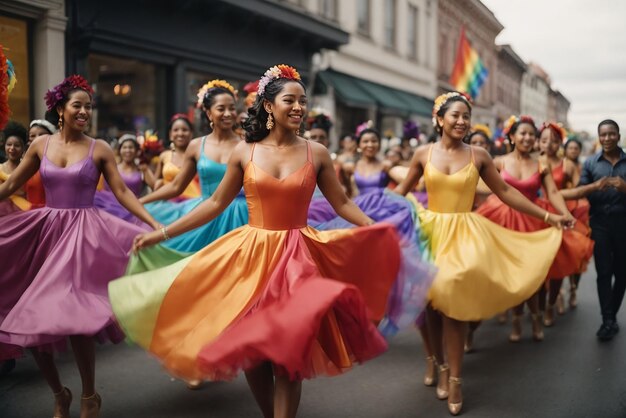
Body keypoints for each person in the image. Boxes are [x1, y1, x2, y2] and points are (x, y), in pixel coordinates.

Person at [108, 65, 433, 418]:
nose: (298, 107)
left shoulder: (317, 152)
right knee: (254, 351)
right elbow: (214, 204)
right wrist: (162, 232)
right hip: (250, 257)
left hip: (299, 259)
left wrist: (375, 227)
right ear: (268, 106)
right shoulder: (244, 152)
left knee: (290, 348)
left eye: (302, 101)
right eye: (289, 100)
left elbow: (342, 204)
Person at [395, 92, 571, 416]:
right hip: (429, 232)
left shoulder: (480, 155)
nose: (462, 121)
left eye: (466, 116)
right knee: (432, 305)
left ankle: (457, 378)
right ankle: (440, 365)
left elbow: (506, 192)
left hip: (463, 235)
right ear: (439, 119)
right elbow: (399, 194)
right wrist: (375, 220)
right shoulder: (423, 153)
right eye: (455, 116)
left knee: (455, 304)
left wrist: (548, 216)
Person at [0, 75, 160, 418]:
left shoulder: (99, 148)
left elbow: (122, 192)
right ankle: (61, 393)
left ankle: (89, 396)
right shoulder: (40, 146)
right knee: (33, 323)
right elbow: (12, 181)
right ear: (60, 109)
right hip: (46, 235)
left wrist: (151, 221)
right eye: (78, 106)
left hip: (83, 239)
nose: (85, 112)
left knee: (78, 321)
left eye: (89, 106)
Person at [477, 116, 592, 342]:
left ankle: (537, 316)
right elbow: (478, 185)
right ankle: (517, 319)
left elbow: (554, 193)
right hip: (502, 221)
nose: (528, 138)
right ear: (512, 136)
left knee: (536, 274)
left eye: (531, 134)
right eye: (523, 133)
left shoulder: (541, 165)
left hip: (533, 220)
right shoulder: (498, 161)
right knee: (510, 274)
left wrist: (565, 215)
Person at [132, 80, 247, 260]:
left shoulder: (247, 146)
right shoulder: (196, 146)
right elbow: (177, 186)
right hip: (204, 215)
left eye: (232, 108)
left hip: (242, 217)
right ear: (209, 113)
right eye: (221, 108)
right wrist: (141, 201)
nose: (228, 113)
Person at [562, 119, 626, 341]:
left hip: (623, 223)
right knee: (604, 272)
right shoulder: (590, 163)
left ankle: (611, 315)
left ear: (618, 136)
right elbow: (580, 191)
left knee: (622, 274)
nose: (607, 138)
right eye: (603, 134)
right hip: (599, 223)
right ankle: (608, 319)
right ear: (599, 137)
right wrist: (595, 187)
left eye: (611, 134)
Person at [537, 122, 592, 323]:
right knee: (539, 266)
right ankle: (539, 309)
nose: (549, 144)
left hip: (560, 213)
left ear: (560, 143)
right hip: (537, 215)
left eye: (553, 141)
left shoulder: (567, 164)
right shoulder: (534, 161)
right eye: (544, 140)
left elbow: (579, 188)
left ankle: (551, 304)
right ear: (538, 142)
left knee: (558, 263)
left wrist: (565, 199)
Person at [93, 135, 156, 225]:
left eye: (131, 147)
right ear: (120, 150)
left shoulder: (142, 170)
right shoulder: (111, 167)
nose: (127, 150)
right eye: (124, 147)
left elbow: (156, 187)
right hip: (107, 206)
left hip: (131, 208)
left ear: (137, 151)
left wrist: (147, 168)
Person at [151, 114, 200, 198]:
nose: (180, 133)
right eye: (176, 130)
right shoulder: (164, 156)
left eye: (184, 130)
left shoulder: (199, 155)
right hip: (169, 205)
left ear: (191, 133)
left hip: (195, 204)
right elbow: (155, 185)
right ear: (170, 134)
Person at [0, 121, 30, 215]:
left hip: (25, 214)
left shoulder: (29, 169)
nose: (12, 148)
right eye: (9, 144)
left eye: (17, 145)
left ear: (23, 148)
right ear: (4, 146)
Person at [25, 118, 57, 208]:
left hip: (55, 215)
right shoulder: (24, 166)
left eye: (42, 135)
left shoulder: (60, 164)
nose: (37, 139)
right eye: (32, 135)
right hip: (30, 215)